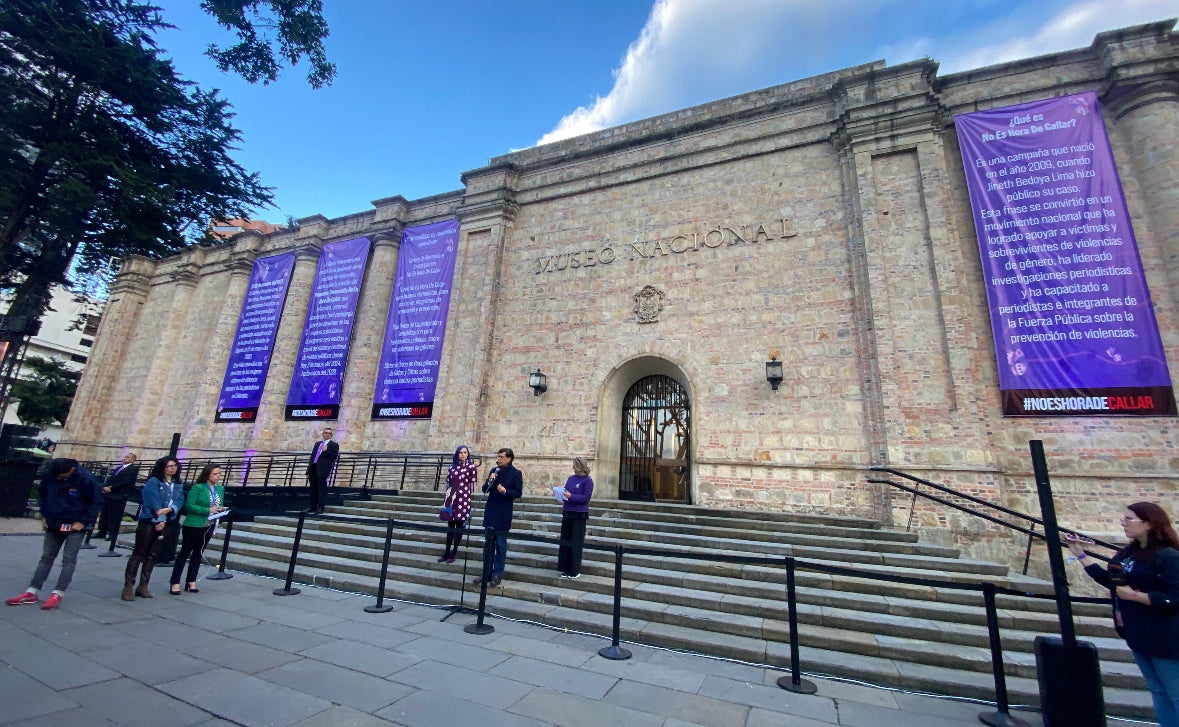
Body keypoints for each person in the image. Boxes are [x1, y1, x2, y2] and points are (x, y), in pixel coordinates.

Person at [1066, 502, 1179, 727]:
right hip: (1138, 633)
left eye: (1129, 519)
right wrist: (1079, 553)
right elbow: (1113, 583)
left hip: (1165, 636)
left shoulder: (1169, 556)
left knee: (1175, 693)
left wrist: (1138, 597)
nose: (1123, 522)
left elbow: (1175, 597)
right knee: (1158, 691)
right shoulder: (1130, 554)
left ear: (1148, 523)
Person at [6, 458, 102, 610]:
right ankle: (32, 590)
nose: (58, 478)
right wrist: (45, 515)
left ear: (71, 470)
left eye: (62, 476)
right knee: (46, 557)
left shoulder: (86, 479)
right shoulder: (52, 474)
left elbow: (96, 502)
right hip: (54, 521)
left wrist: (84, 521)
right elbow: (43, 494)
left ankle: (58, 592)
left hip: (75, 524)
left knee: (68, 559)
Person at [122, 456, 185, 601]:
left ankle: (143, 585)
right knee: (139, 552)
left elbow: (180, 500)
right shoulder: (154, 481)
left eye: (174, 465)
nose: (172, 468)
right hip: (149, 520)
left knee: (153, 554)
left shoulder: (177, 483)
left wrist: (170, 509)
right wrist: (160, 518)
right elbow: (152, 500)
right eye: (169, 466)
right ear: (162, 467)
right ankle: (128, 585)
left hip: (168, 520)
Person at [168, 463, 228, 594]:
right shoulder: (198, 488)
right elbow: (189, 506)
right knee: (184, 552)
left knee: (198, 553)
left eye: (219, 474)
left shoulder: (220, 489)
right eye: (215, 474)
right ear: (207, 475)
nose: (218, 476)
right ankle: (175, 582)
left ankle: (191, 580)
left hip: (209, 525)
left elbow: (218, 504)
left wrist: (220, 510)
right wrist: (207, 510)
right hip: (194, 524)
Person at [474, 448, 522, 587]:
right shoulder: (494, 471)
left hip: (503, 513)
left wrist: (505, 491)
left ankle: (497, 574)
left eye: (501, 457)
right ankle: (486, 573)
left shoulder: (516, 474)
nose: (499, 459)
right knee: (488, 545)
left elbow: (518, 492)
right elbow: (484, 489)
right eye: (498, 457)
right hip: (491, 511)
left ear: (509, 458)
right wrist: (490, 481)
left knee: (501, 545)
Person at [438, 445, 478, 563]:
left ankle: (454, 552)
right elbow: (448, 481)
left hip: (463, 497)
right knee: (450, 525)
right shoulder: (452, 467)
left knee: (459, 525)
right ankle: (446, 551)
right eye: (461, 452)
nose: (463, 454)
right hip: (452, 496)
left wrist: (465, 493)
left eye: (465, 452)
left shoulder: (471, 467)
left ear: (467, 454)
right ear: (457, 454)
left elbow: (473, 483)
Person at [557, 457, 594, 579]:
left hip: (579, 514)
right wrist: (562, 494)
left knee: (575, 541)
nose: (573, 468)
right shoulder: (571, 479)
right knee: (565, 540)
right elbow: (566, 491)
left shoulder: (587, 481)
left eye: (575, 466)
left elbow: (585, 498)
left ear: (580, 467)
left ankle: (574, 570)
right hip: (568, 511)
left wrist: (571, 496)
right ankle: (565, 568)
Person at [95, 452, 138, 542]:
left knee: (114, 515)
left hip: (119, 495)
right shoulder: (119, 468)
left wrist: (112, 488)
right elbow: (111, 478)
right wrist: (105, 486)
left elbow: (126, 482)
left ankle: (112, 533)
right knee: (105, 513)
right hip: (109, 494)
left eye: (127, 457)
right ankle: (102, 531)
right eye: (125, 456)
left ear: (133, 460)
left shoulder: (132, 469)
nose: (124, 458)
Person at [305, 427, 339, 514]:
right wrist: (308, 470)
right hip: (314, 468)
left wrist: (326, 451)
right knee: (313, 489)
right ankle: (312, 507)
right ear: (323, 434)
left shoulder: (333, 445)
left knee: (321, 489)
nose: (327, 434)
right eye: (326, 433)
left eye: (329, 433)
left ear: (331, 435)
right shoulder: (317, 444)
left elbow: (334, 457)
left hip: (323, 470)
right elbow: (312, 457)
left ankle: (320, 507)